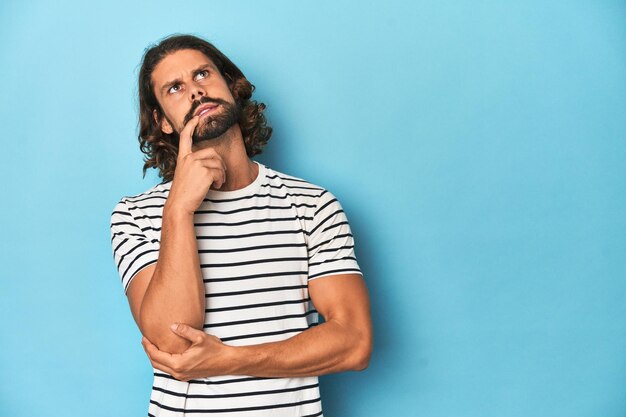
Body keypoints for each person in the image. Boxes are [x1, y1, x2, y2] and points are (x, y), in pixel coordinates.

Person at [110, 34, 372, 417]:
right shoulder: (136, 215)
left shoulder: (312, 205)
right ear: (161, 121)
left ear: (232, 86)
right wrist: (179, 210)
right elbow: (172, 338)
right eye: (175, 88)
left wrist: (230, 359)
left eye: (203, 74)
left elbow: (354, 342)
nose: (196, 92)